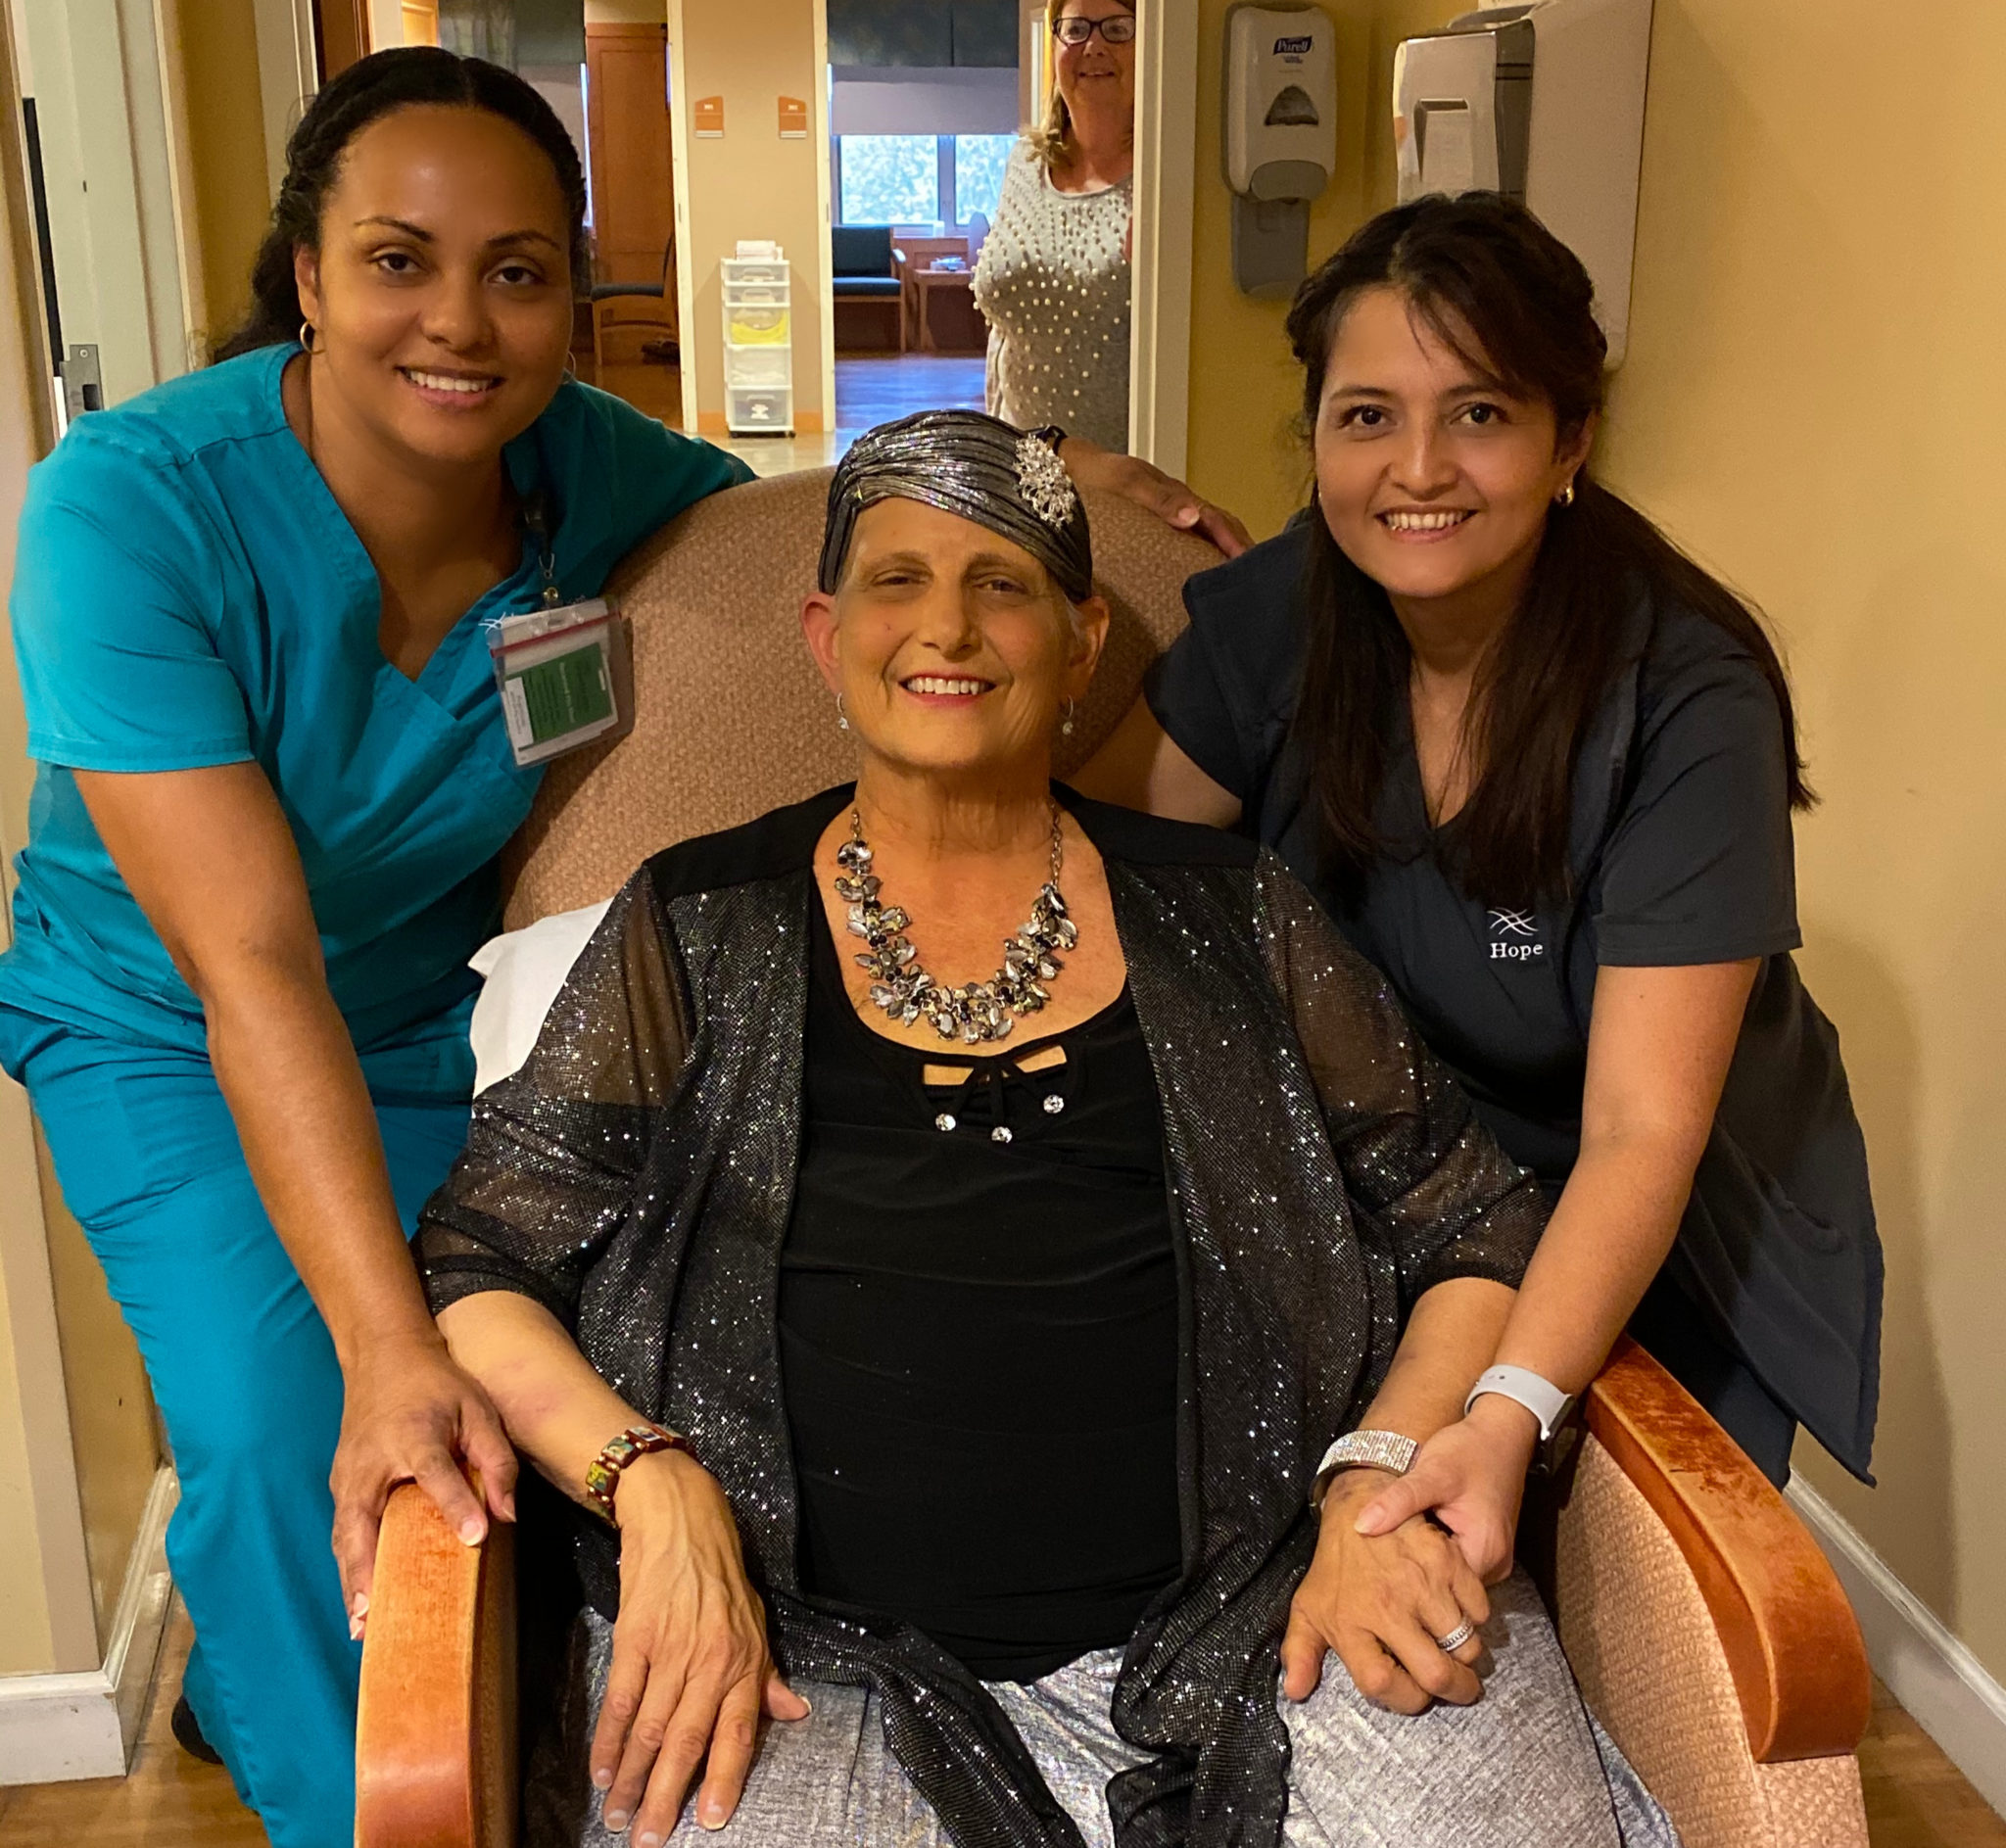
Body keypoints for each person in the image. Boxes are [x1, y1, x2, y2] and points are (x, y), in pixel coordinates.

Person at [0, 49, 1236, 1848]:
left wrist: (1042, 466)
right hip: (173, 1019)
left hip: (444, 1002)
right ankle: (344, 1779)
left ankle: (464, 1730)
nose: (461, 321)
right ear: (307, 272)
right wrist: (383, 1336)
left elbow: (803, 501)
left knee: (594, 1357)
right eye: (397, 260)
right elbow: (250, 963)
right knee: (305, 1425)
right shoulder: (130, 509)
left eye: (516, 271)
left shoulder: (580, 470)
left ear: (570, 298)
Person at [414, 410, 1678, 1848]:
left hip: (1267, 1604)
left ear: (1084, 642)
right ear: (826, 636)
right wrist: (652, 1486)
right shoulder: (699, 920)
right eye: (896, 579)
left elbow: (1467, 1218)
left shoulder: (1232, 912)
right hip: (805, 1652)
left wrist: (1377, 1476)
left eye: (1003, 582)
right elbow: (482, 1259)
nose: (946, 624)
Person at [1078, 195, 1881, 1568]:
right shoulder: (1289, 613)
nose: (1418, 469)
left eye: (1481, 414)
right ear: (1317, 437)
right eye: (1368, 414)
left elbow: (1640, 1128)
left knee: (1620, 1592)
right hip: (1397, 1177)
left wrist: (1509, 1400)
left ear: (1571, 441)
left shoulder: (1683, 696)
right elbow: (1086, 860)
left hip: (1645, 1216)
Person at [973, 0, 1136, 452]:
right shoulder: (1025, 162)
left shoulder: (1165, 177)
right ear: (1056, 42)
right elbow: (1004, 336)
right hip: (1020, 466)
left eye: (1119, 29)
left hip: (1129, 477)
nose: (1095, 45)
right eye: (1077, 28)